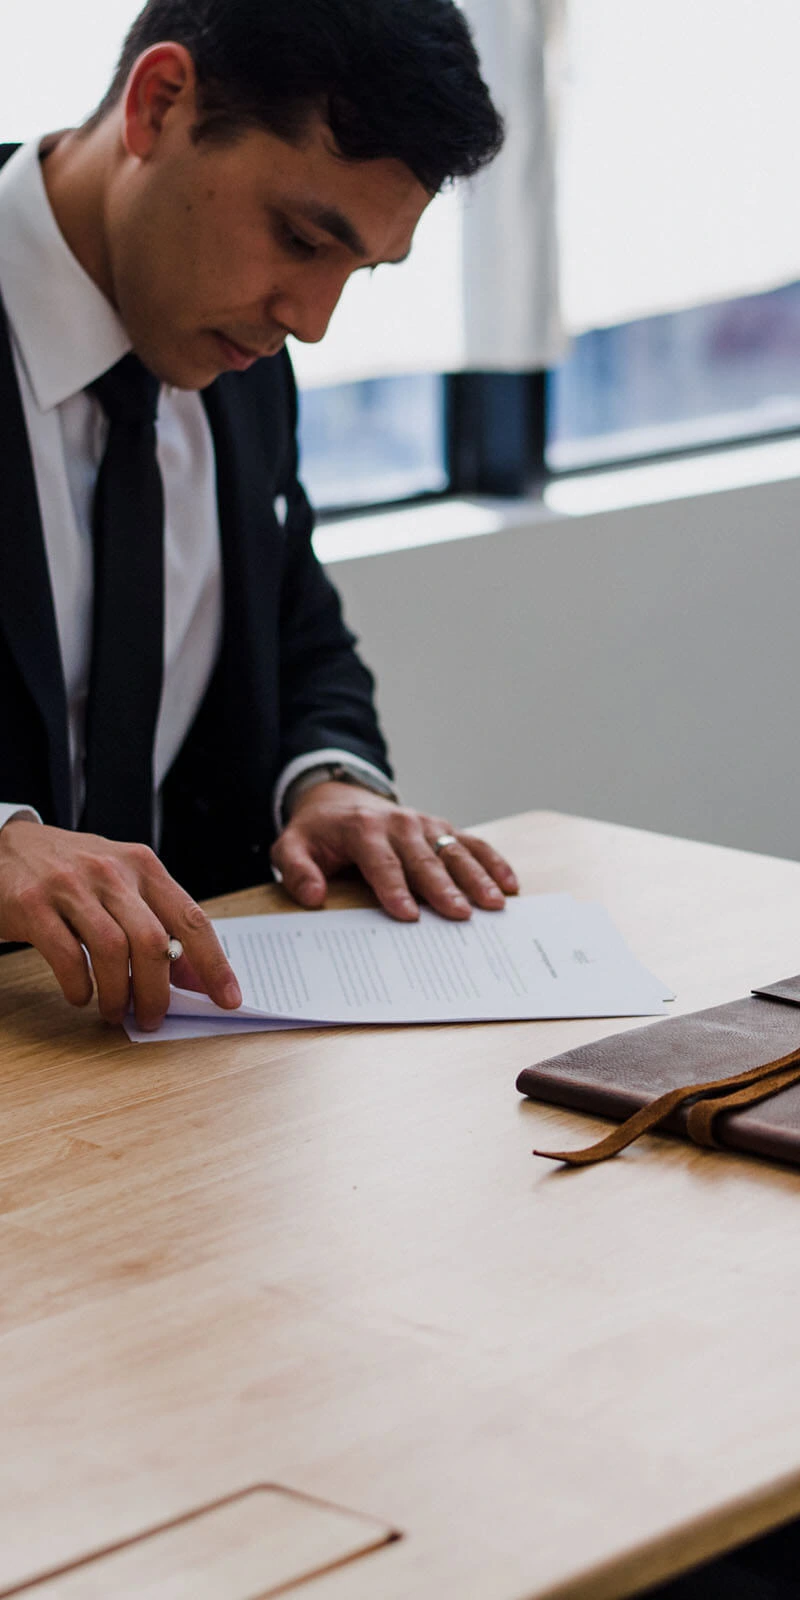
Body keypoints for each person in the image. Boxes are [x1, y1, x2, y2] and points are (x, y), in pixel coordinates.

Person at [0, 0, 518, 1033]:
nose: (311, 321)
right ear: (158, 103)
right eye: (298, 237)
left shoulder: (232, 342)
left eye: (356, 271)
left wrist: (327, 783)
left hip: (180, 1071)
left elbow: (294, 621)